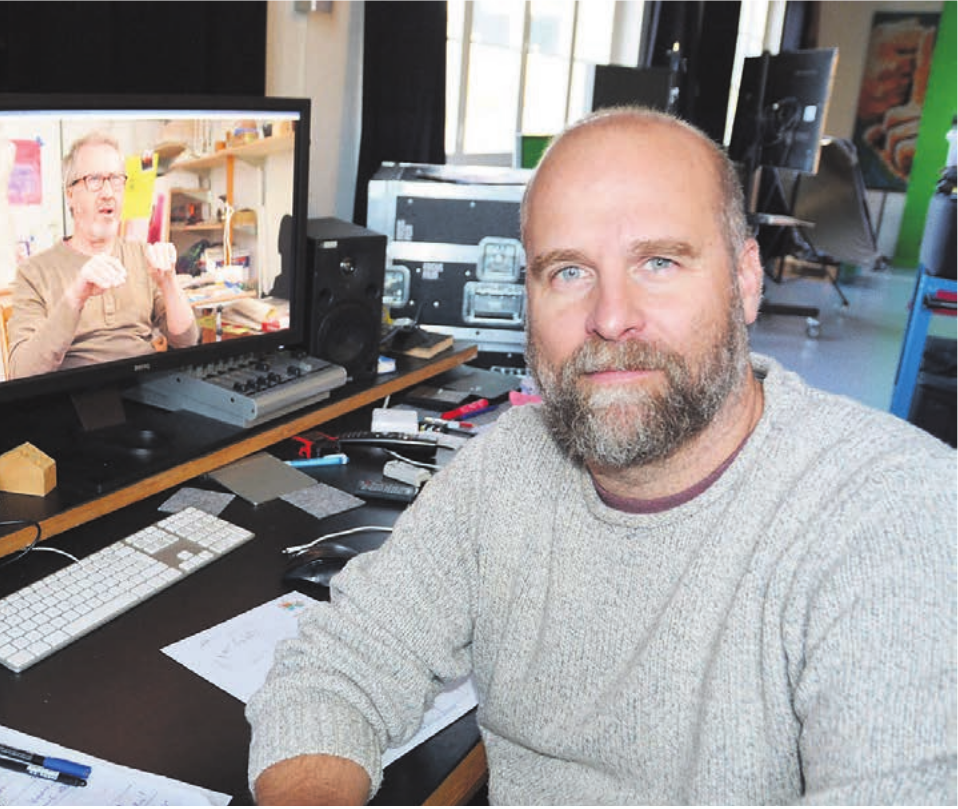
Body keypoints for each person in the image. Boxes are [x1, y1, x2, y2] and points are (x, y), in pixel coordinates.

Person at [246, 108, 956, 804]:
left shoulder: (892, 515)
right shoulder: (508, 466)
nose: (611, 318)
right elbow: (338, 669)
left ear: (745, 279)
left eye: (658, 261)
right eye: (568, 272)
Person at [7, 132, 199, 377]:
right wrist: (76, 297)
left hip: (145, 385)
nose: (108, 192)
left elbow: (186, 342)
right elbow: (22, 372)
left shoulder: (142, 254)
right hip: (80, 391)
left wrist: (169, 282)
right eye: (95, 179)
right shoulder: (33, 272)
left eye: (116, 179)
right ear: (70, 195)